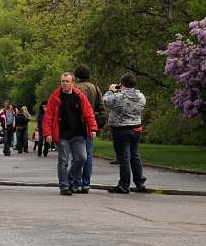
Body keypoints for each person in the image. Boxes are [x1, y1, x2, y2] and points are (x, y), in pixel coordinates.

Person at [42, 72, 98, 195]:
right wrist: (48, 133)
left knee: (82, 158)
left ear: (73, 83)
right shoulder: (55, 97)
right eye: (63, 81)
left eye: (67, 81)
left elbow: (88, 113)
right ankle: (64, 187)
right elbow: (48, 117)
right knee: (63, 161)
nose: (65, 84)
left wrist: (93, 128)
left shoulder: (79, 96)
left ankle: (69, 180)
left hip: (78, 134)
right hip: (62, 135)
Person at [103, 73, 147, 194]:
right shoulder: (141, 96)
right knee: (135, 156)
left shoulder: (118, 97)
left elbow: (106, 102)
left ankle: (124, 185)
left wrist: (110, 91)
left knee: (124, 158)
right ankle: (139, 181)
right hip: (136, 128)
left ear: (122, 84)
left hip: (121, 129)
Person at [72, 64, 105, 193]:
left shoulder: (74, 88)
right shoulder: (95, 88)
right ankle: (86, 183)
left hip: (76, 124)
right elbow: (101, 106)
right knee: (89, 155)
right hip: (90, 123)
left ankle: (77, 182)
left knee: (77, 155)